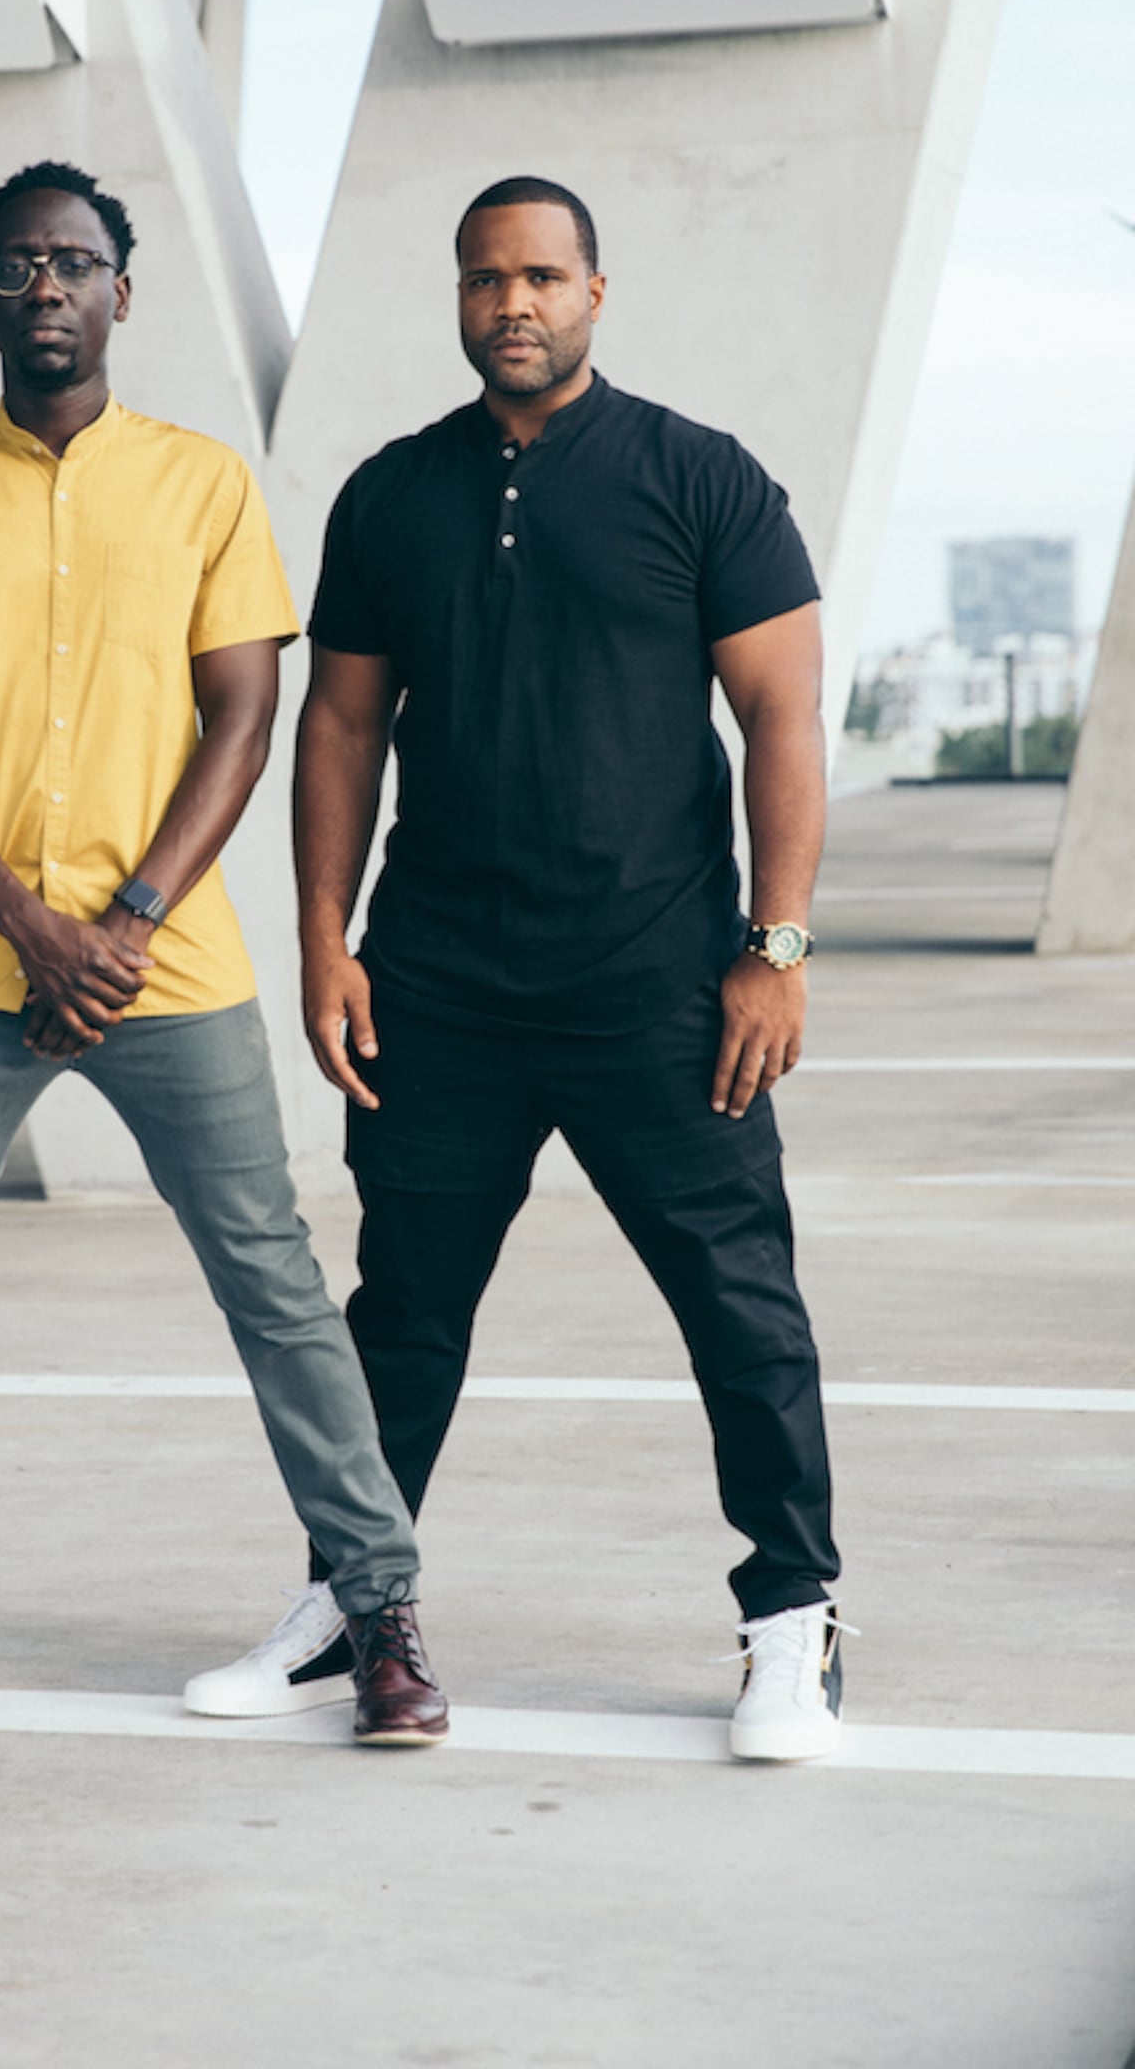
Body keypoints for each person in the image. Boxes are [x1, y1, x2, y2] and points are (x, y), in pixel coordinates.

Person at [0, 160, 447, 1770]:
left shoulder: (200, 485)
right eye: (14, 263)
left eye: (73, 261)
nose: (44, 285)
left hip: (168, 968)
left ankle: (383, 1614)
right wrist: (28, 920)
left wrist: (120, 922)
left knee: (274, 1289)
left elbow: (247, 715)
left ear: (126, 291)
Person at [184, 175, 845, 1761]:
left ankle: (792, 1622)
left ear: (596, 293)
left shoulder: (701, 478)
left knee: (740, 1309)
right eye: (486, 280)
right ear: (461, 298)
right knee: (400, 1315)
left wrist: (777, 947)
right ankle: (354, 1602)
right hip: (443, 985)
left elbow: (782, 717)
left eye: (543, 276)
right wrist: (325, 941)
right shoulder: (393, 494)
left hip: (662, 986)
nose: (514, 305)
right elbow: (341, 724)